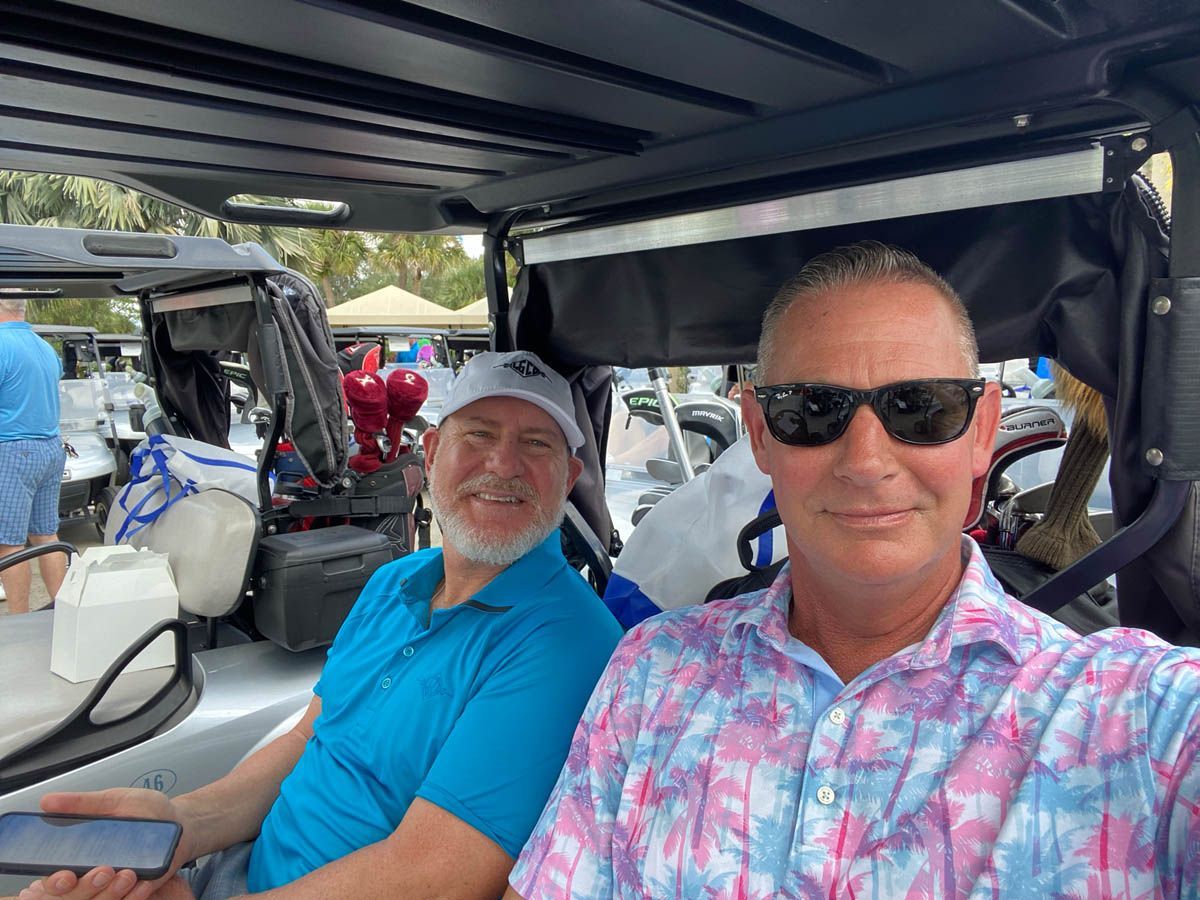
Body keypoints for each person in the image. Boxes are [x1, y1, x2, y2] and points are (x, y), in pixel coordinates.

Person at [506, 242, 1200, 898]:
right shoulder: (651, 676)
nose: (866, 461)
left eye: (923, 409)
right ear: (759, 435)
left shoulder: (1134, 721)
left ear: (982, 430)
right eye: (812, 412)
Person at [23, 350, 623, 900]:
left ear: (568, 480)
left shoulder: (570, 642)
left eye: (538, 445)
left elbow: (436, 876)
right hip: (247, 870)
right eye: (480, 434)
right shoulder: (396, 581)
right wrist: (182, 825)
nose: (503, 464)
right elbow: (310, 739)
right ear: (434, 453)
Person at [0, 298, 67, 614]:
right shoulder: (44, 348)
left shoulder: (1, 344)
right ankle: (66, 611)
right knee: (46, 536)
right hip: (50, 449)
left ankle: (17, 622)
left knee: (8, 544)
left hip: (14, 451)